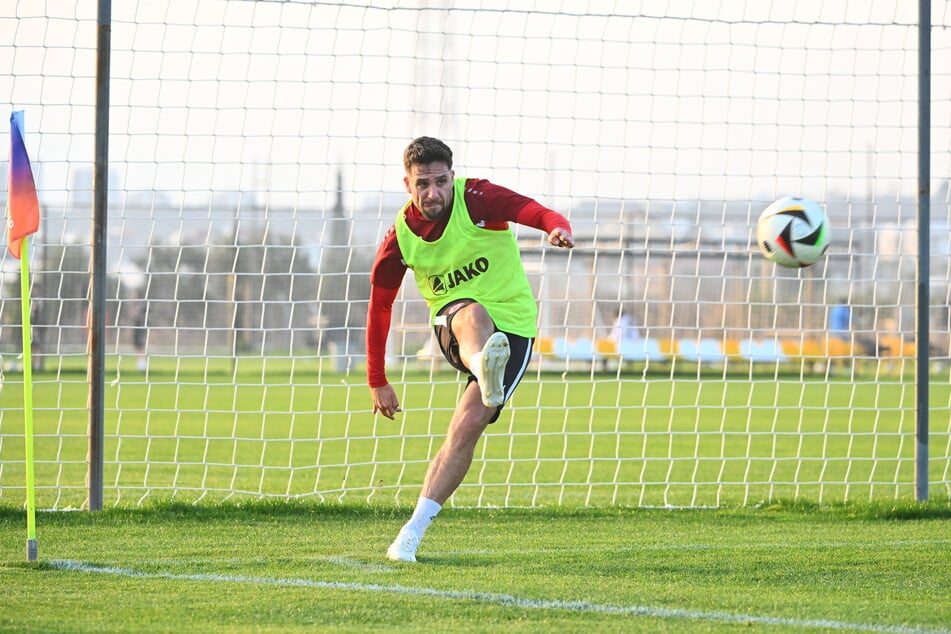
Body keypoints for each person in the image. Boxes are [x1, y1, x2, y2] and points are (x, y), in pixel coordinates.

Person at [366, 136, 575, 562]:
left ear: (452, 178)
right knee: (471, 313)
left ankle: (410, 533)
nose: (433, 193)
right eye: (422, 184)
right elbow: (380, 305)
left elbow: (532, 210)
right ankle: (484, 366)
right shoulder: (399, 238)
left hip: (515, 327)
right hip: (456, 325)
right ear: (407, 184)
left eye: (440, 182)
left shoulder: (477, 198)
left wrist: (557, 228)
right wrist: (377, 379)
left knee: (466, 427)